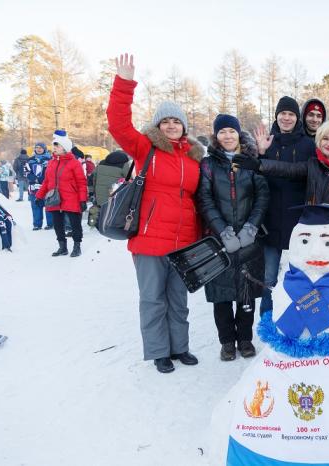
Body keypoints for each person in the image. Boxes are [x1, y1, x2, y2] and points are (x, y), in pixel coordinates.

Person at [107, 53, 205, 374]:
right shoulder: (144, 148)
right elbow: (118, 123)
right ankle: (159, 351)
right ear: (158, 126)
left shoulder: (193, 160)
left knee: (179, 300)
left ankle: (180, 348)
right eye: (166, 121)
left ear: (184, 126)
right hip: (149, 241)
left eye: (177, 121)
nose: (172, 125)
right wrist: (124, 83)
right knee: (153, 299)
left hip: (183, 244)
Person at [235, 120, 329, 251]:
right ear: (319, 140)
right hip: (312, 229)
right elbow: (288, 169)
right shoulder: (313, 164)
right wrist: (259, 164)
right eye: (325, 138)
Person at [196, 114, 269, 361]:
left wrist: (251, 227)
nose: (227, 136)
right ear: (216, 136)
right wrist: (222, 231)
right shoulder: (208, 164)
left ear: (239, 134)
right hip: (219, 240)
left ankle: (245, 339)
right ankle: (227, 341)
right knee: (222, 294)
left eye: (232, 131)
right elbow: (205, 200)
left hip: (249, 238)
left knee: (246, 292)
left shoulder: (251, 161)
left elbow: (262, 197)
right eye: (222, 132)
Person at [256, 96, 314, 315]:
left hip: (297, 223)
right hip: (270, 222)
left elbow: (307, 174)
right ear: (277, 116)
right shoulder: (267, 141)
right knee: (269, 277)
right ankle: (267, 322)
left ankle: (297, 319)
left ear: (297, 118)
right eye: (283, 113)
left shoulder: (308, 144)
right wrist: (261, 152)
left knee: (298, 276)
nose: (287, 118)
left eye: (291, 114)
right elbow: (255, 178)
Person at [35, 130, 88, 258]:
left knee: (75, 224)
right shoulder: (51, 162)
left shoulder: (74, 163)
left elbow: (81, 182)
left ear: (65, 148)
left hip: (71, 198)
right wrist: (39, 196)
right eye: (54, 145)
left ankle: (77, 247)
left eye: (57, 146)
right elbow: (47, 181)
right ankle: (62, 247)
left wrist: (82, 200)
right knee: (58, 225)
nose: (54, 148)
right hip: (55, 199)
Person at [89, 150, 132, 227]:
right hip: (114, 192)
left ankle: (98, 223)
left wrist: (94, 190)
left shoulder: (101, 163)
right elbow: (129, 179)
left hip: (99, 191)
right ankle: (108, 224)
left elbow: (93, 177)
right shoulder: (124, 165)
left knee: (101, 207)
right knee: (111, 208)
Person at [26, 142, 53, 230]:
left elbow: (53, 172)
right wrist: (33, 178)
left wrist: (43, 179)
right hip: (34, 187)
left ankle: (50, 224)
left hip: (47, 187)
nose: (38, 149)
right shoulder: (30, 160)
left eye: (40, 147)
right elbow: (26, 172)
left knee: (48, 205)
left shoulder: (50, 159)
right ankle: (37, 224)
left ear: (44, 149)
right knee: (36, 206)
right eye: (37, 147)